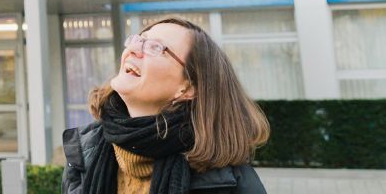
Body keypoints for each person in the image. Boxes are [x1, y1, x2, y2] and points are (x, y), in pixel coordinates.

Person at [62, 17, 270, 194]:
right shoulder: (83, 154)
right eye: (138, 40)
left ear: (187, 89)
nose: (133, 49)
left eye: (155, 47)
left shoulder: (229, 181)